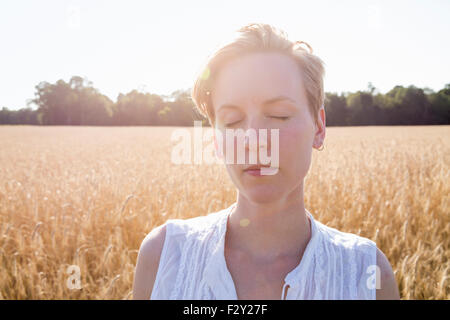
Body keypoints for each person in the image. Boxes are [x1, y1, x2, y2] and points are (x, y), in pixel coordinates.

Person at [133, 23, 400, 300]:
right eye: (232, 121)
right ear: (217, 141)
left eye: (279, 115)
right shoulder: (164, 256)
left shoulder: (365, 272)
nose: (253, 139)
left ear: (318, 128)